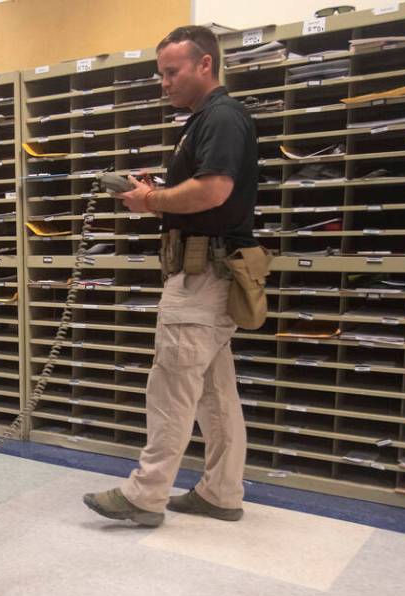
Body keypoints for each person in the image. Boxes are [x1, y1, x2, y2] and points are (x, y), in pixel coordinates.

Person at [83, 25, 258, 527]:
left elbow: (214, 191)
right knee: (215, 394)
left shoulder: (221, 117)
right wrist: (154, 191)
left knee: (171, 388)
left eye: (172, 71)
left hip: (202, 277)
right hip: (214, 273)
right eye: (161, 72)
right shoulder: (205, 120)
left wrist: (152, 200)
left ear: (205, 64)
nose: (164, 82)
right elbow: (200, 190)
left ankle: (145, 495)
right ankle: (221, 493)